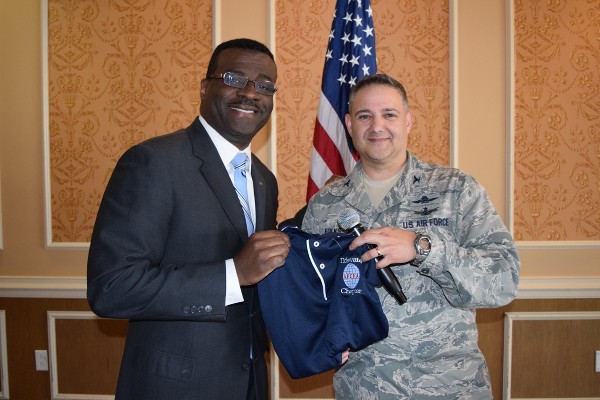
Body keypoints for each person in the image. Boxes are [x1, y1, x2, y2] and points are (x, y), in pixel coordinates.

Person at [87, 38, 291, 400]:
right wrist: (234, 273)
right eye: (234, 77)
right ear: (204, 86)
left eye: (264, 85)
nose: (250, 93)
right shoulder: (153, 162)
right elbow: (112, 288)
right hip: (175, 387)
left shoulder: (264, 179)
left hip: (248, 383)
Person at [302, 74, 520, 399]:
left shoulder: (456, 190)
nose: (377, 126)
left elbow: (503, 281)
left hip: (449, 387)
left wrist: (422, 247)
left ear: (408, 121)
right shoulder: (325, 206)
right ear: (349, 124)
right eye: (365, 116)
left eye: (389, 114)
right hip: (364, 387)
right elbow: (311, 294)